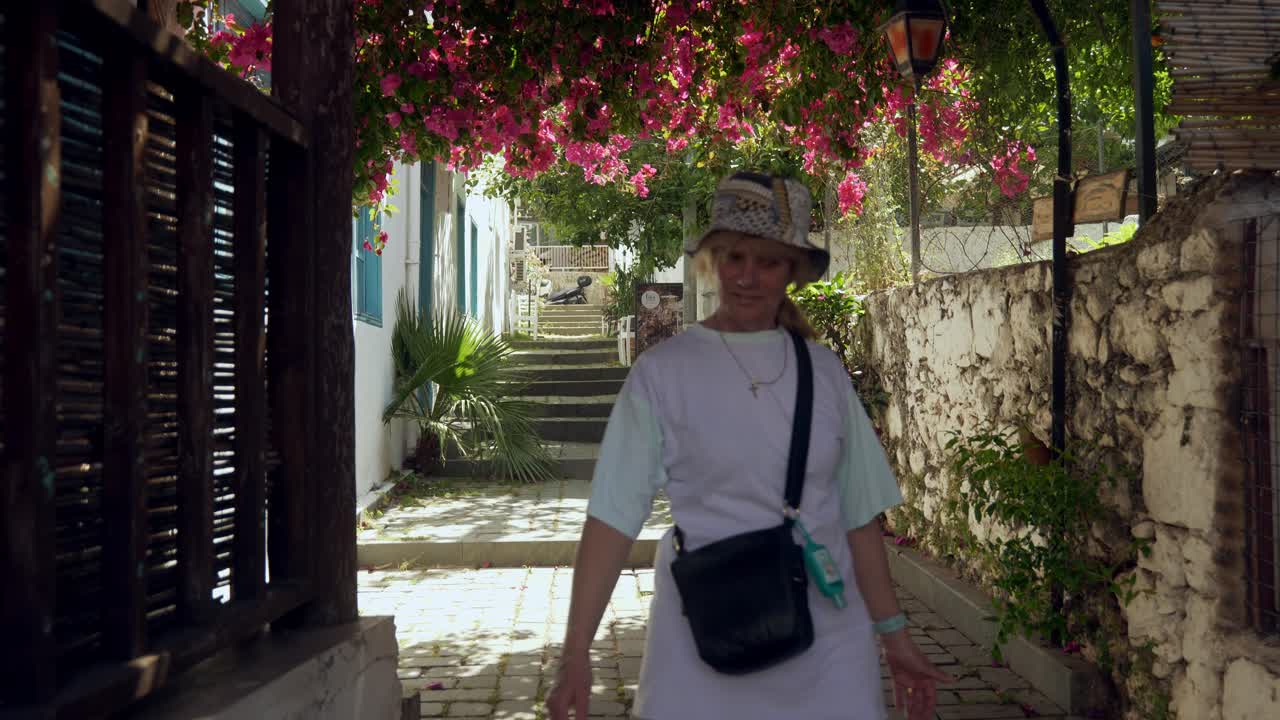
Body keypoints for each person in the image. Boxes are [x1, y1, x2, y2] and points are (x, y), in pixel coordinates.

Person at [546, 171, 951, 720]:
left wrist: (895, 638)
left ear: (792, 270)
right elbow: (612, 520)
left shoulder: (824, 372)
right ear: (712, 259)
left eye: (768, 261)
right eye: (735, 257)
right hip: (700, 643)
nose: (749, 277)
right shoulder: (662, 374)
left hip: (828, 649)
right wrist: (576, 654)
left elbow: (858, 519)